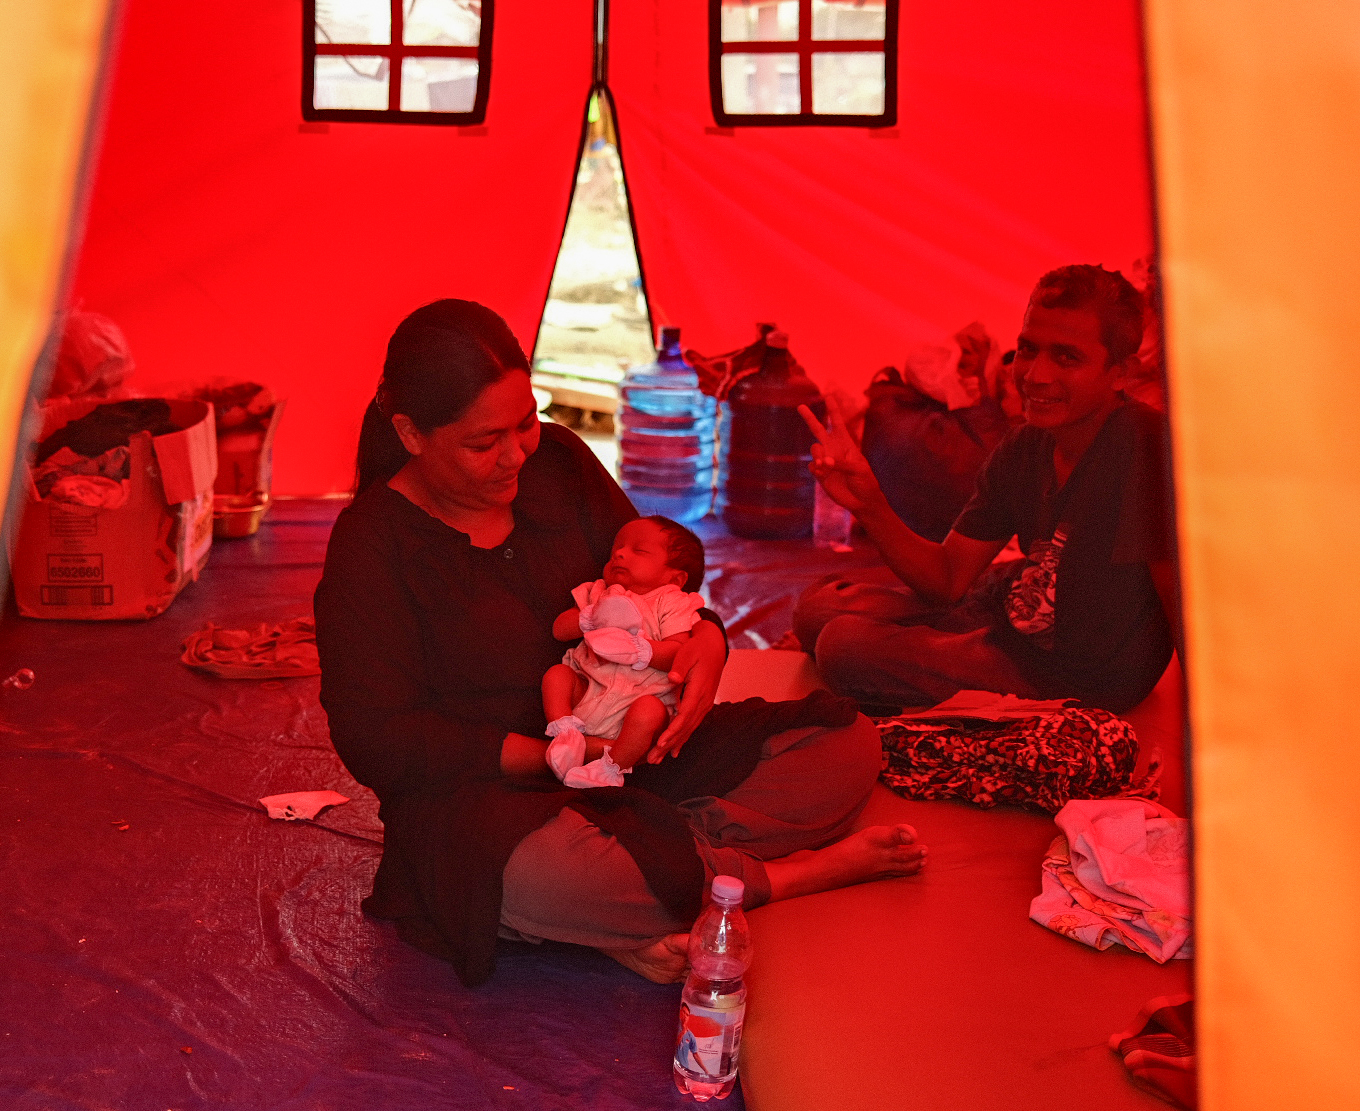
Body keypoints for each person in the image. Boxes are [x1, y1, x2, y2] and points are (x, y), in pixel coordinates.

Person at [315, 299, 926, 988]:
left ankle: (649, 883)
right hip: (491, 798)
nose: (517, 453)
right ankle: (775, 877)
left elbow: (663, 568)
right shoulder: (372, 546)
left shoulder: (560, 462)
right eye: (485, 443)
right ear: (411, 433)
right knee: (539, 875)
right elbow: (377, 737)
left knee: (844, 745)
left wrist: (707, 639)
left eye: (526, 422)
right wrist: (551, 754)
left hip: (632, 750)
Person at [794, 265, 1180, 714]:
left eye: (1067, 357)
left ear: (1119, 372)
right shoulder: (1024, 446)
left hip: (1075, 673)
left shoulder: (1146, 449)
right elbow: (948, 579)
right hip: (1011, 611)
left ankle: (946, 657)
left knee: (845, 647)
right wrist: (869, 502)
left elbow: (1184, 602)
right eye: (1028, 349)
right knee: (815, 611)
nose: (1036, 375)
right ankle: (947, 648)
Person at [542, 516, 707, 788]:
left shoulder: (672, 603)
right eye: (616, 549)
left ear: (674, 578)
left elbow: (678, 654)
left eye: (638, 551)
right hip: (588, 690)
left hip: (636, 705)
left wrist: (641, 651)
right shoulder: (597, 592)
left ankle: (610, 768)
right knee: (557, 676)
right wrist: (590, 617)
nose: (619, 553)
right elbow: (559, 629)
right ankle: (565, 733)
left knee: (649, 712)